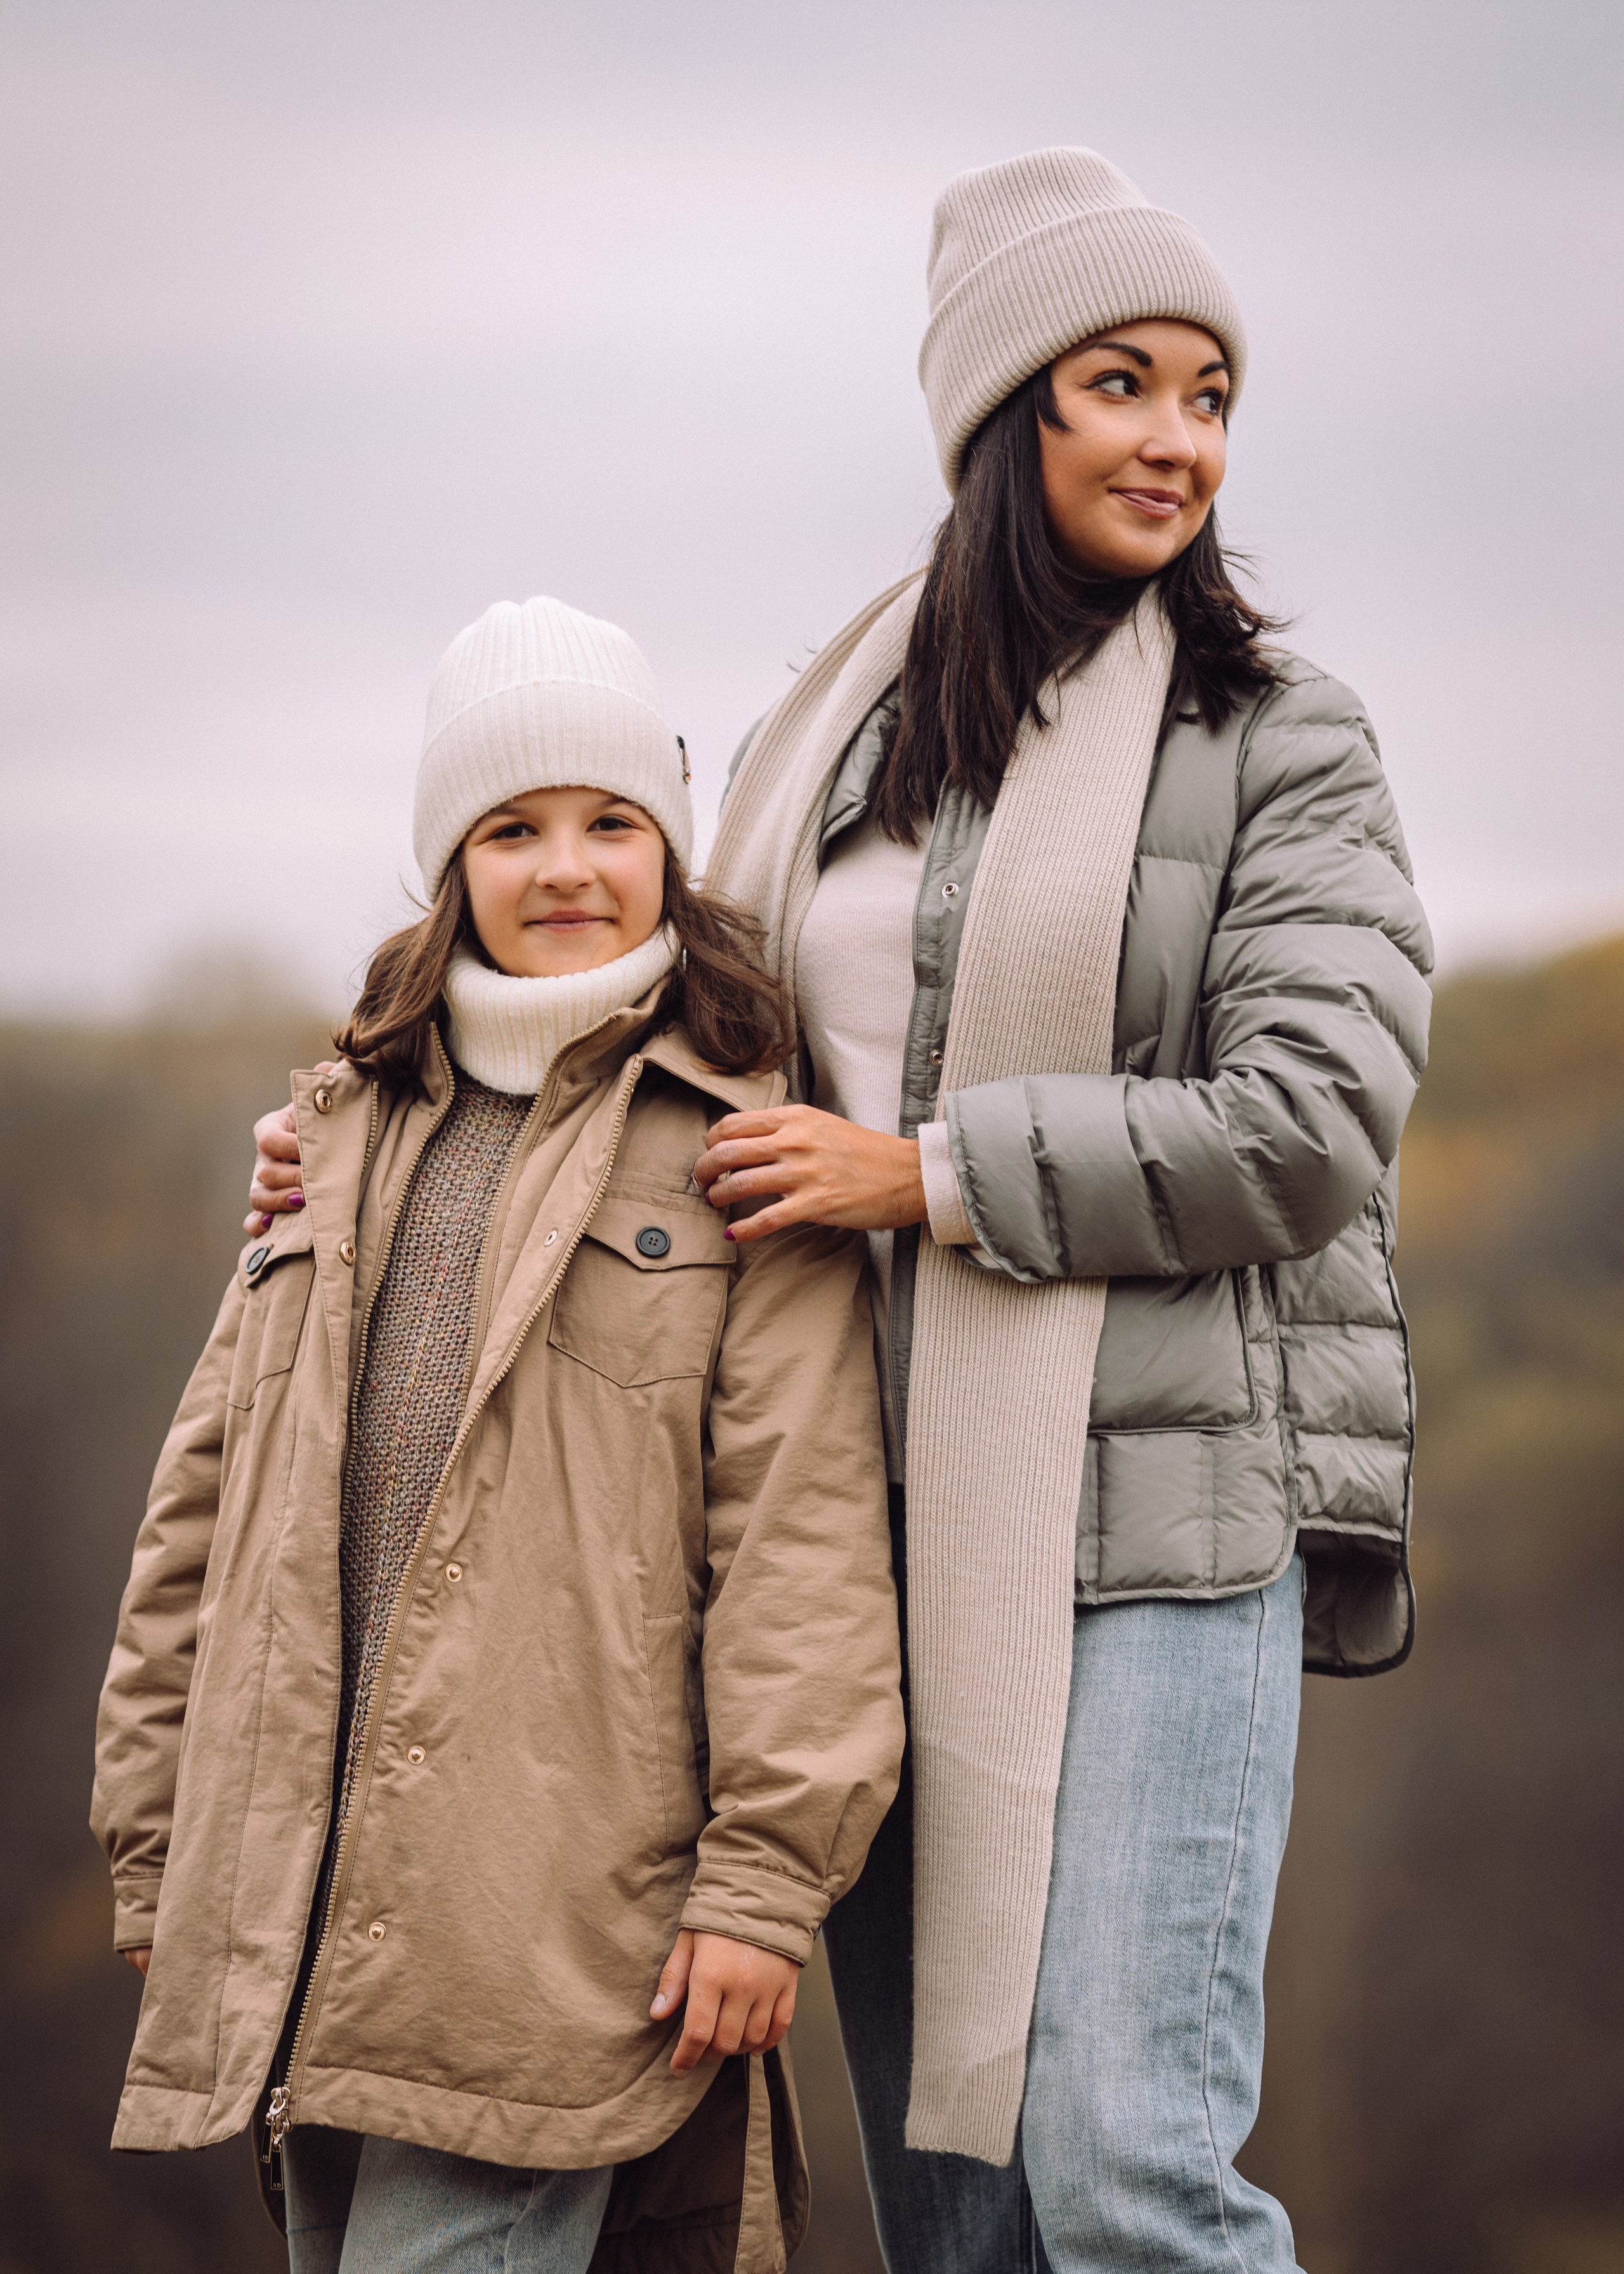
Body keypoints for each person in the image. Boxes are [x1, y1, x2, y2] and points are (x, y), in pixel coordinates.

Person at [248, 152, 1433, 2272]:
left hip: (1158, 1527)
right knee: (958, 2215)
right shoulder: (848, 731)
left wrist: (936, 1177)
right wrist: (372, 1142)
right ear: (1004, 416)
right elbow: (663, 1035)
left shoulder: (1280, 740)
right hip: (863, 1537)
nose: (1180, 437)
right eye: (1121, 383)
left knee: (1126, 2176)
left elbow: (1311, 1116)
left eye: (1214, 394)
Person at [93, 595, 905, 2274]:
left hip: (560, 1922)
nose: (567, 868)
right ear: (447, 860)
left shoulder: (745, 1142)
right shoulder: (338, 1131)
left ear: (669, 844)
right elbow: (204, 1510)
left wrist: (764, 1888)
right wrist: (163, 1848)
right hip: (305, 1909)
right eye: (512, 827)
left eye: (612, 822)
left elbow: (802, 1546)